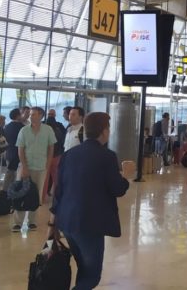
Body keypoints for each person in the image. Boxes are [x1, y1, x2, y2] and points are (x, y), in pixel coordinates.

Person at [48, 112, 129, 290]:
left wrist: (52, 223)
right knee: (91, 276)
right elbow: (117, 189)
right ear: (104, 132)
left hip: (67, 221)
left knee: (83, 269)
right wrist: (125, 178)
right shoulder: (107, 156)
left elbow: (58, 189)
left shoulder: (69, 154)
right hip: (90, 223)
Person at [13, 106, 56, 232]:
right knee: (20, 192)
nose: (31, 116)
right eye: (31, 114)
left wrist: (47, 165)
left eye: (34, 114)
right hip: (25, 166)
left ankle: (32, 221)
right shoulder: (24, 130)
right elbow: (20, 150)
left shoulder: (48, 130)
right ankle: (18, 222)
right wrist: (24, 167)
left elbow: (51, 148)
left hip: (41, 167)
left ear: (41, 116)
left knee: (36, 195)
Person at [42, 113, 66, 203]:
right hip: (57, 156)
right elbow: (61, 142)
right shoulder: (58, 130)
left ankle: (42, 197)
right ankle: (58, 197)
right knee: (57, 178)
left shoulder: (44, 131)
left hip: (46, 157)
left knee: (45, 179)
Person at [3, 108, 26, 191]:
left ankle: (6, 191)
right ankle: (11, 191)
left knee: (10, 173)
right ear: (18, 116)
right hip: (18, 153)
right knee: (16, 175)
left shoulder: (7, 127)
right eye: (21, 114)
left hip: (9, 152)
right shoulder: (23, 128)